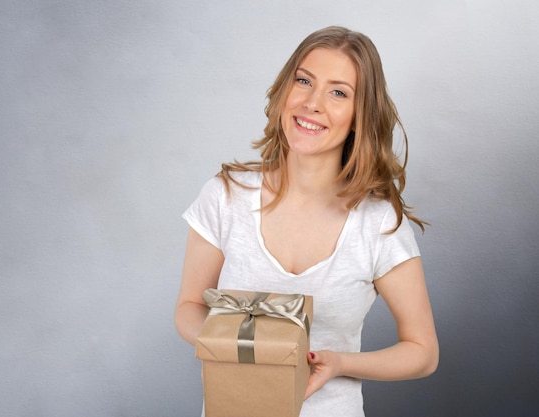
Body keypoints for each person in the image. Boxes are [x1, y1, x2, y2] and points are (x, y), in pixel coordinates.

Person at [174, 26, 439, 417]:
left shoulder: (377, 222)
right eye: (303, 81)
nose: (312, 103)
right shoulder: (225, 196)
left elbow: (423, 352)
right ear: (284, 91)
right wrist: (226, 348)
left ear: (358, 116)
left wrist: (341, 363)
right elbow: (190, 305)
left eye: (338, 92)